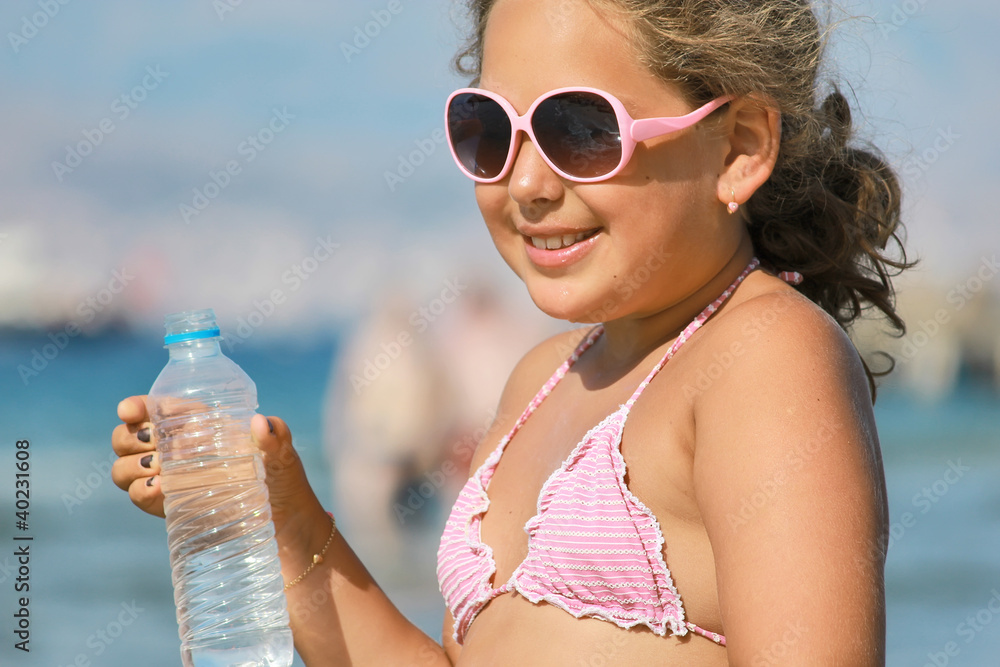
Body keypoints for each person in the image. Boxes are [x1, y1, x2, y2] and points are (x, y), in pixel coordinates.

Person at [111, 0, 915, 663]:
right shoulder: (541, 380)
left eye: (581, 131)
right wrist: (283, 522)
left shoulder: (763, 358)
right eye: (490, 133)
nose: (527, 183)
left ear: (738, 147)